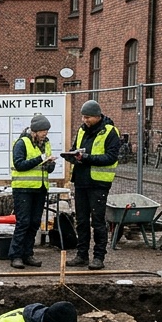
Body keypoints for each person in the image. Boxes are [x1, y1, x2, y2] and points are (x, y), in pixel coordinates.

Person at [61, 100, 121, 270]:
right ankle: (82, 254)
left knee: (98, 221)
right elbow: (75, 148)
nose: (84, 120)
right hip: (81, 181)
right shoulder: (82, 130)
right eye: (83, 117)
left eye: (87, 117)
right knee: (81, 220)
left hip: (98, 183)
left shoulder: (110, 132)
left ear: (97, 116)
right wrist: (72, 156)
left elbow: (111, 157)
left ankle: (99, 256)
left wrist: (87, 159)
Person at [8, 115, 57, 268]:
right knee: (23, 222)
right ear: (34, 131)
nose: (45, 134)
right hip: (23, 189)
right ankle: (16, 255)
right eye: (43, 131)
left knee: (34, 222)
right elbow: (19, 164)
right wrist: (40, 159)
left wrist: (50, 164)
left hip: (40, 188)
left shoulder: (46, 143)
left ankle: (28, 254)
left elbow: (48, 167)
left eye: (47, 131)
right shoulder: (21, 143)